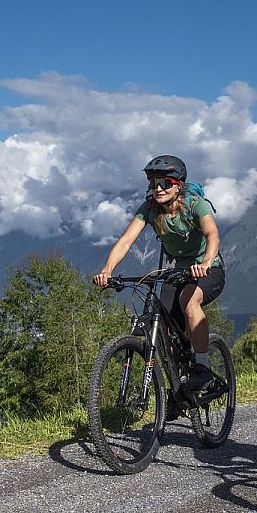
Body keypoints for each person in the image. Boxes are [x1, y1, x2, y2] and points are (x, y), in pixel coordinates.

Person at [94, 155, 225, 392]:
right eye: (153, 183)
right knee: (163, 323)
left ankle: (203, 370)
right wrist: (107, 270)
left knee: (189, 301)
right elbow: (126, 240)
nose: (158, 188)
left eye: (164, 182)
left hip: (208, 268)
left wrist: (205, 263)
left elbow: (212, 234)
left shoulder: (196, 205)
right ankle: (177, 389)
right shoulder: (151, 208)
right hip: (178, 271)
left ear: (178, 185)